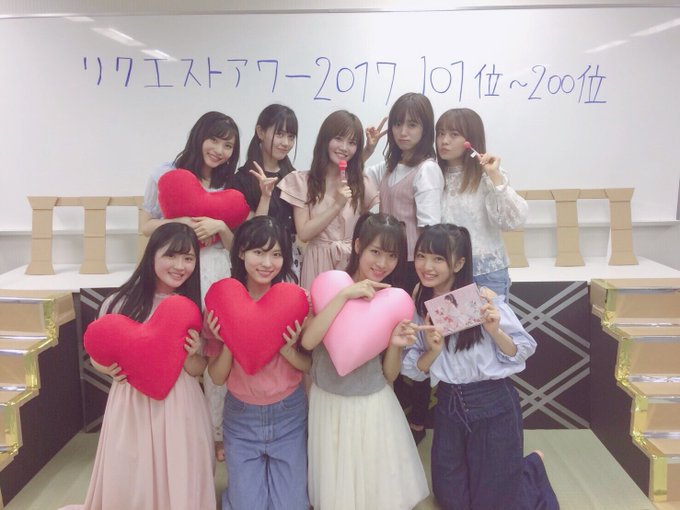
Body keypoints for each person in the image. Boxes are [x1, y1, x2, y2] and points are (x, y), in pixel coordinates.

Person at [402, 224, 559, 510]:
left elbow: (522, 350)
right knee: (451, 500)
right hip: (449, 405)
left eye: (438, 259)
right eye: (422, 256)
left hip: (493, 403)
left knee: (493, 503)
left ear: (459, 263)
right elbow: (413, 369)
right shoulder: (420, 304)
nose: (427, 266)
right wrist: (433, 351)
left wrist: (495, 331)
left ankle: (530, 468)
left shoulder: (483, 299)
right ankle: (518, 468)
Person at [61, 223, 215, 510]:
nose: (180, 266)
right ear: (151, 254)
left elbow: (196, 369)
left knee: (179, 471)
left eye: (188, 258)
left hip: (180, 403)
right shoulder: (118, 302)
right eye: (171, 256)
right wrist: (106, 369)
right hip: (130, 403)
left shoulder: (192, 307)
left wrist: (193, 354)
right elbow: (98, 354)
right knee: (131, 474)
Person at [301, 212, 429, 510]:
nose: (382, 263)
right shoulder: (329, 287)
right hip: (328, 401)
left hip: (371, 403)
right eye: (376, 251)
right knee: (338, 486)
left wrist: (395, 345)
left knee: (374, 488)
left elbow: (390, 374)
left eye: (392, 256)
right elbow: (308, 342)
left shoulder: (394, 301)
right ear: (358, 246)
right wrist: (344, 296)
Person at [140, 110, 241, 461]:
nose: (219, 150)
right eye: (214, 140)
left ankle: (216, 431)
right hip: (179, 273)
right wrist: (179, 222)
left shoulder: (231, 185)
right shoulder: (166, 175)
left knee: (215, 347)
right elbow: (145, 226)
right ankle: (175, 428)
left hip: (217, 271)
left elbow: (238, 247)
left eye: (228, 145)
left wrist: (220, 226)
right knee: (180, 346)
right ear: (199, 136)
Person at [205, 216, 311, 510]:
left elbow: (309, 366)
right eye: (259, 252)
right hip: (241, 418)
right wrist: (230, 340)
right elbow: (216, 377)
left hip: (289, 414)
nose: (267, 263)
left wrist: (287, 349)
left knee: (292, 506)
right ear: (241, 252)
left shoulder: (297, 301)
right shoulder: (221, 302)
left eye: (276, 254)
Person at [364, 92, 444, 444]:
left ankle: (417, 419)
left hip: (413, 268)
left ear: (425, 129)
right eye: (398, 124)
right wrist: (367, 149)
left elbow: (430, 229)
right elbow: (357, 178)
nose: (403, 131)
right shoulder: (388, 166)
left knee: (414, 340)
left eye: (412, 125)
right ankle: (393, 415)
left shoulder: (427, 169)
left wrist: (424, 276)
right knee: (390, 341)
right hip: (389, 266)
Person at [278, 109, 379, 289]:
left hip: (352, 264)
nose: (344, 147)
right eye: (338, 139)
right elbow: (304, 234)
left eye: (352, 142)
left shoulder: (361, 183)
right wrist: (337, 205)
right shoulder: (303, 181)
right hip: (317, 263)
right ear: (325, 139)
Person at [436, 108, 528, 299]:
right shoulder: (433, 174)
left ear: (470, 139)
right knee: (447, 320)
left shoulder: (486, 174)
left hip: (486, 272)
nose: (444, 141)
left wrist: (494, 176)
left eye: (454, 134)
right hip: (445, 272)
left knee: (491, 320)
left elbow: (511, 221)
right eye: (441, 133)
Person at [232, 104, 301, 279]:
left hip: (289, 262)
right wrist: (265, 196)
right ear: (260, 132)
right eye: (279, 134)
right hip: (256, 266)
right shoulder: (241, 180)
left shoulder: (294, 178)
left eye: (291, 136)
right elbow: (250, 236)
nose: (286, 143)